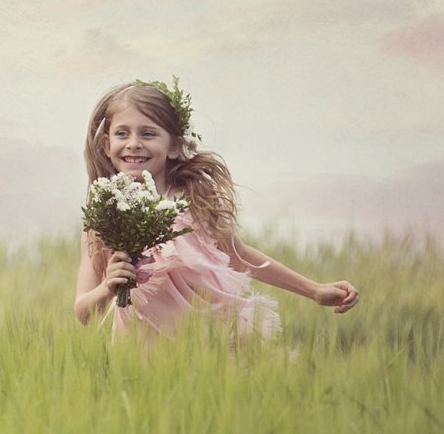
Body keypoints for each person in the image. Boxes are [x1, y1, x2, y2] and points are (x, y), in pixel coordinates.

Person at [74, 78, 358, 334]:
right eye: (122, 133)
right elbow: (84, 313)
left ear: (174, 146)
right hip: (140, 362)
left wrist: (315, 290)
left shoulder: (192, 206)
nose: (134, 143)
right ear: (105, 144)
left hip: (208, 347)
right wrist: (107, 288)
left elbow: (242, 257)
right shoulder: (102, 223)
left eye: (148, 134)